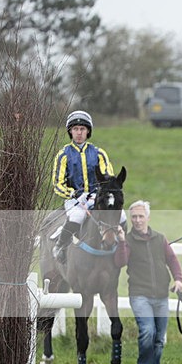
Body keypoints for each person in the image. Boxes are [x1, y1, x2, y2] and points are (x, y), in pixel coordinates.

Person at [116, 201, 182, 364]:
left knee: (159, 339)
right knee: (148, 331)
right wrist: (121, 241)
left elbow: (172, 259)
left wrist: (178, 279)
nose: (137, 220)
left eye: (141, 216)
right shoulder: (127, 241)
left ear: (148, 217)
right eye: (134, 217)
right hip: (140, 295)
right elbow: (120, 262)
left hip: (161, 295)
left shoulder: (160, 238)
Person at [51, 110, 122, 264]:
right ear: (70, 131)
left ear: (88, 131)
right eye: (75, 129)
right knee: (77, 216)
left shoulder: (99, 154)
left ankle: (123, 246)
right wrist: (73, 194)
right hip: (75, 199)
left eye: (82, 129)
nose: (79, 133)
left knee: (121, 216)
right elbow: (57, 184)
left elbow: (108, 179)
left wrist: (102, 193)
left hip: (97, 197)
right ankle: (60, 246)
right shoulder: (63, 155)